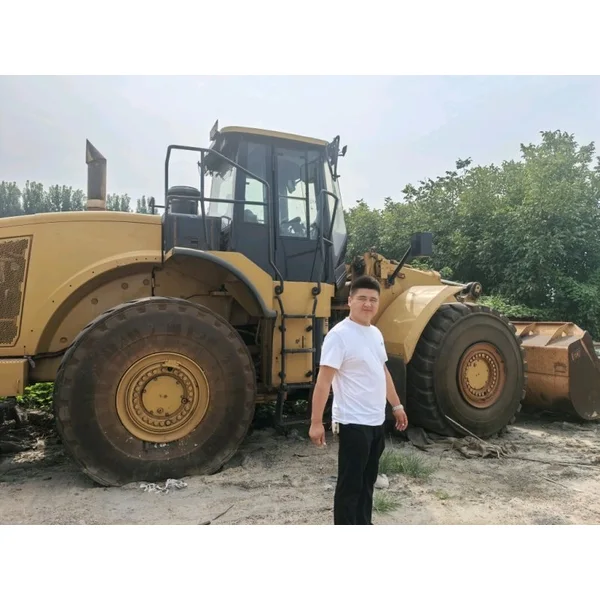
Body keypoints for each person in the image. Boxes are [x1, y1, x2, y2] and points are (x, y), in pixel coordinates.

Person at [308, 274, 408, 525]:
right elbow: (323, 381)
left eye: (373, 299)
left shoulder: (375, 333)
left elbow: (382, 371)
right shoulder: (339, 336)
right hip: (353, 422)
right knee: (350, 485)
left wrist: (396, 405)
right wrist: (316, 422)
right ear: (350, 301)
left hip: (376, 421)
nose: (368, 304)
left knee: (367, 481)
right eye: (362, 298)